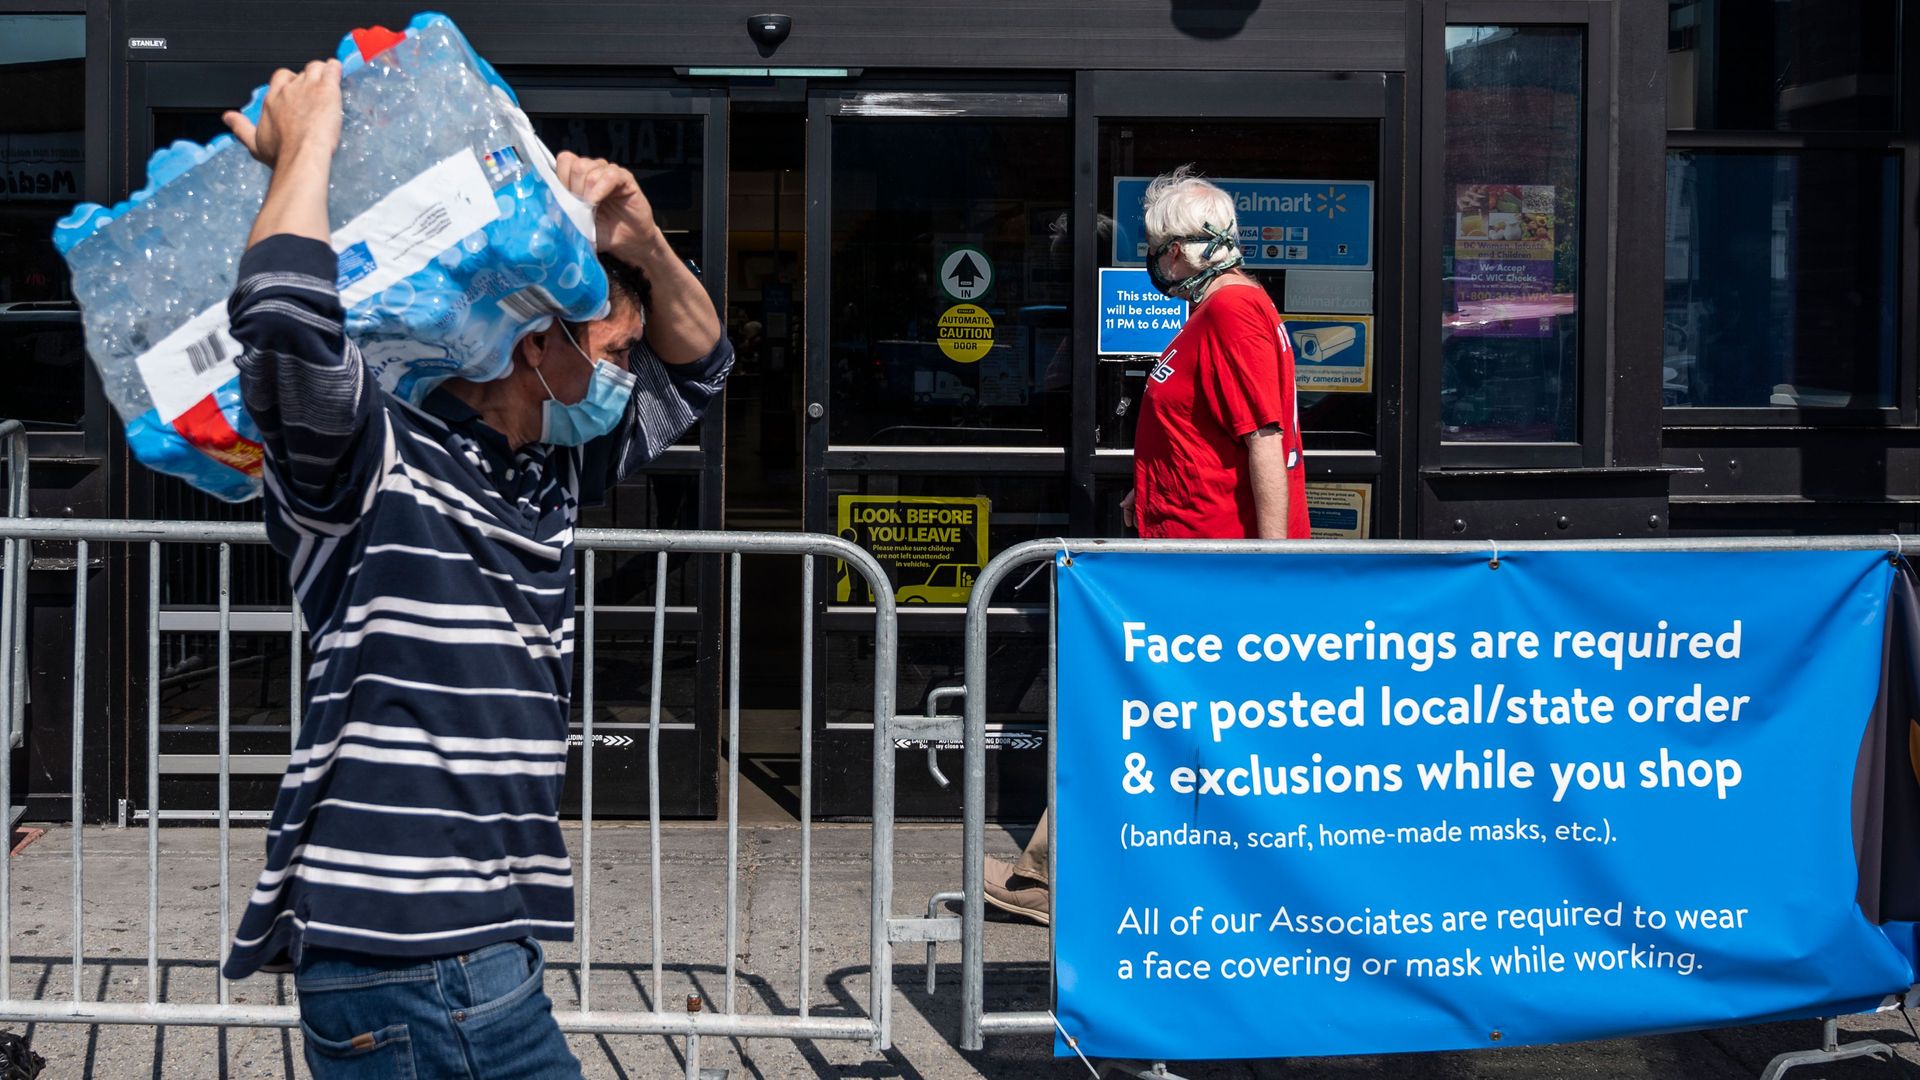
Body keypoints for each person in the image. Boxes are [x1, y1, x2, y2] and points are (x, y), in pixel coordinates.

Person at [215, 60, 731, 1077]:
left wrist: (639, 239)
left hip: (482, 949)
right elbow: (284, 326)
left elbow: (706, 364)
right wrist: (309, 141)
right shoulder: (374, 456)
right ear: (533, 337)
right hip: (404, 957)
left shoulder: (549, 474)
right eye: (612, 351)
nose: (626, 378)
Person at [983, 165, 1309, 926]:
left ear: (1199, 248)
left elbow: (1262, 440)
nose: (1154, 262)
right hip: (1192, 557)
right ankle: (1067, 876)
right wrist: (1150, 482)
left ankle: (1060, 880)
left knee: (1130, 720)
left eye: (1162, 248)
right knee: (1153, 724)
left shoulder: (1231, 314)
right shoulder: (1227, 313)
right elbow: (1216, 430)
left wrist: (1270, 567)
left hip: (1210, 569)